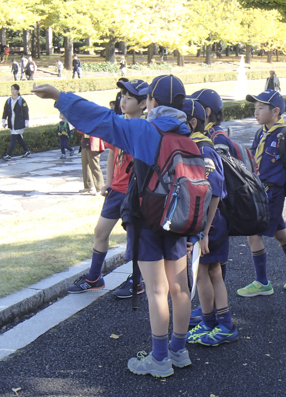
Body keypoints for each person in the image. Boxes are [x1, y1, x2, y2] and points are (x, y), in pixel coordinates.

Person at [31, 75, 192, 378]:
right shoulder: (188, 135)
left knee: (157, 290)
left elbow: (101, 119)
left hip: (149, 221)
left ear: (152, 102)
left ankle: (159, 360)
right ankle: (178, 351)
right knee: (180, 287)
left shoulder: (144, 131)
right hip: (179, 219)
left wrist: (59, 96)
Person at [67, 80, 149, 299]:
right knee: (100, 232)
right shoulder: (119, 124)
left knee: (135, 238)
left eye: (129, 97)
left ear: (143, 104)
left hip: (135, 193)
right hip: (116, 191)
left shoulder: (145, 129)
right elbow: (112, 153)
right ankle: (94, 277)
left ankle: (136, 280)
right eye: (122, 96)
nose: (123, 101)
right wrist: (109, 182)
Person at [237, 89, 286, 297]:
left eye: (261, 108)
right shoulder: (261, 133)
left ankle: (262, 282)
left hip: (273, 193)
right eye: (255, 108)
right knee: (280, 234)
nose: (256, 112)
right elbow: (253, 158)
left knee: (253, 235)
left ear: (276, 111)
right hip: (259, 191)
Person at [182, 99, 238, 346]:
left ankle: (212, 323)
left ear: (192, 122)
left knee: (204, 273)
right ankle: (220, 324)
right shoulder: (196, 146)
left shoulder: (202, 149)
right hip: (209, 222)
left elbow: (214, 191)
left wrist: (204, 231)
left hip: (210, 223)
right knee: (212, 272)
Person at [192, 89, 241, 161]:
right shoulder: (203, 133)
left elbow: (223, 170)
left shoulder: (218, 139)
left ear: (207, 111)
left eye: (194, 107)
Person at [2, 84, 31, 160]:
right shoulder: (8, 100)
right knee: (18, 137)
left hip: (19, 123)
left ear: (18, 91)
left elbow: (25, 112)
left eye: (14, 89)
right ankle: (26, 150)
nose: (12, 91)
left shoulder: (21, 100)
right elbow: (5, 112)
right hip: (12, 123)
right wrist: (4, 121)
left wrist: (26, 123)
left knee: (13, 138)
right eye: (11, 89)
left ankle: (8, 154)